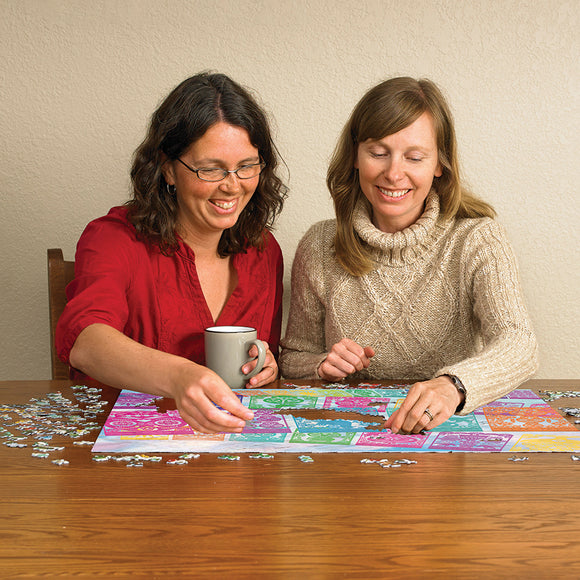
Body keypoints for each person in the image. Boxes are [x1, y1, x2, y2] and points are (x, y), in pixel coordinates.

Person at [280, 76, 538, 434]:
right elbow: (292, 359)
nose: (393, 173)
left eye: (414, 157)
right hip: (350, 438)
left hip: (449, 436)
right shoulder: (319, 244)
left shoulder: (478, 238)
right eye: (378, 153)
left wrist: (453, 386)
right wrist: (323, 365)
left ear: (439, 164)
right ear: (356, 156)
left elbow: (519, 342)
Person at [56, 72, 287, 434]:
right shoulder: (113, 239)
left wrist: (267, 364)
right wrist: (180, 377)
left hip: (233, 459)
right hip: (126, 460)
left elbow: (262, 358)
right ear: (167, 168)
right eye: (209, 169)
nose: (232, 185)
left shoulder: (264, 251)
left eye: (246, 166)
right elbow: (86, 342)